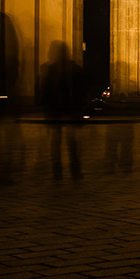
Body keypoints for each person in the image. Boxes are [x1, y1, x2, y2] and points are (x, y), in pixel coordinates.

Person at [40, 41, 85, 180]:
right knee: (70, 143)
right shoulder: (74, 68)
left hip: (60, 111)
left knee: (59, 143)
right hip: (66, 111)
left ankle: (59, 171)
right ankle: (73, 170)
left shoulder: (51, 69)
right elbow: (81, 90)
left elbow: (46, 92)